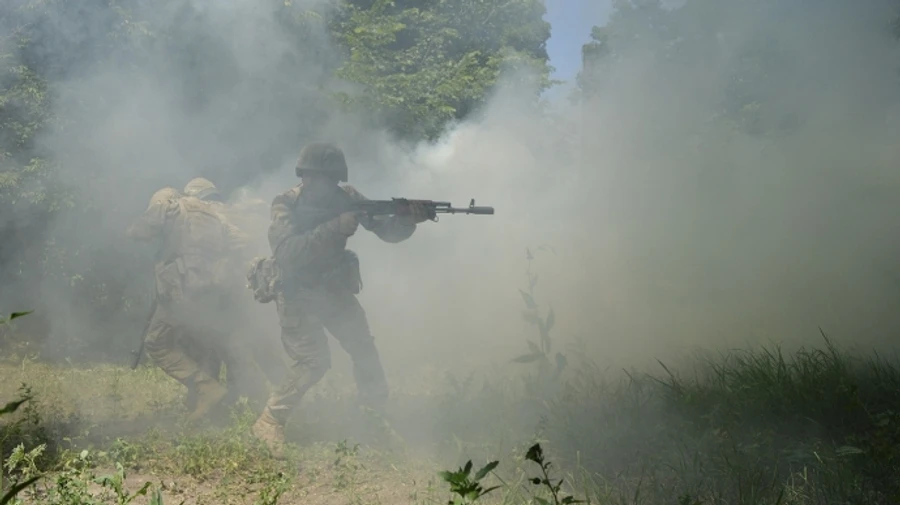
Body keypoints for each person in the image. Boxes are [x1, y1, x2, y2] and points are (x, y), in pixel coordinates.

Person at [248, 142, 430, 458]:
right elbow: (288, 254)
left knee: (363, 347)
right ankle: (269, 420)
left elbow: (387, 232)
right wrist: (335, 228)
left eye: (326, 178)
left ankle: (374, 419)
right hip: (295, 290)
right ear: (302, 175)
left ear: (336, 178)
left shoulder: (349, 198)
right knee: (314, 362)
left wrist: (406, 220)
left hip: (333, 289)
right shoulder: (285, 204)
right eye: (311, 177)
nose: (317, 184)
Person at [126, 179, 248, 423]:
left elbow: (137, 231)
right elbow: (241, 242)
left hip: (181, 290)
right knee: (206, 344)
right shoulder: (216, 215)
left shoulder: (173, 206)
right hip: (213, 292)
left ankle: (206, 388)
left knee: (156, 342)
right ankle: (209, 404)